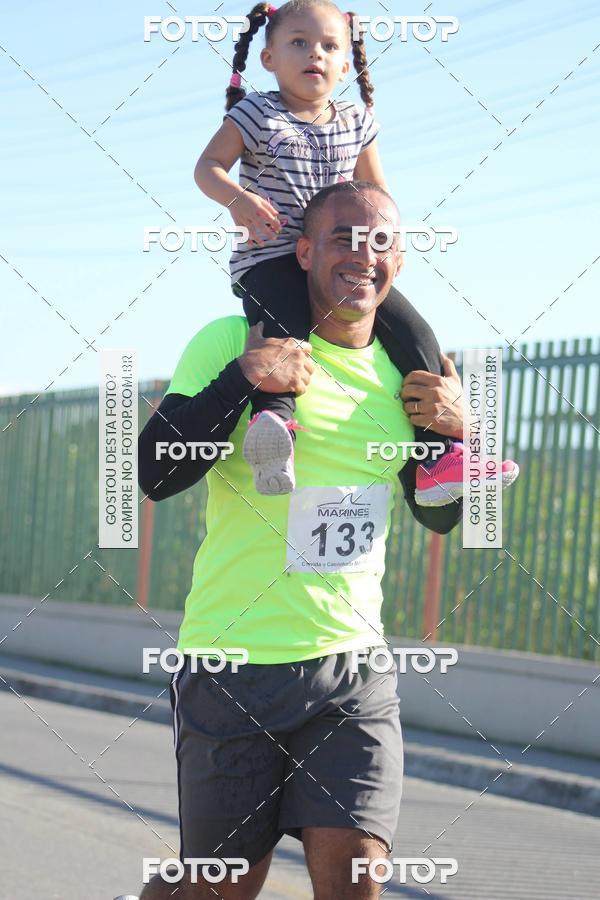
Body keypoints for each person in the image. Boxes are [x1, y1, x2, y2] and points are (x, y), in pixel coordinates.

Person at [137, 182, 465, 899]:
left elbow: (439, 517)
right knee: (221, 889)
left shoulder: (412, 380)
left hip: (353, 669)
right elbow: (154, 474)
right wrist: (244, 379)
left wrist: (456, 436)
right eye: (345, 237)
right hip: (234, 665)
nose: (363, 255)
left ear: (400, 261)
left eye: (381, 241)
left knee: (357, 877)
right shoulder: (234, 339)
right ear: (306, 250)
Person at [194, 0, 519, 502]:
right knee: (286, 329)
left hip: (341, 263)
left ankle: (437, 458)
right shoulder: (256, 113)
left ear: (346, 64)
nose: (315, 55)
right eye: (298, 43)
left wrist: (395, 240)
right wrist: (238, 200)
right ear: (268, 59)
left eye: (329, 46)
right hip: (271, 258)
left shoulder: (355, 120)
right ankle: (273, 429)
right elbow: (207, 167)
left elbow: (377, 189)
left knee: (416, 331)